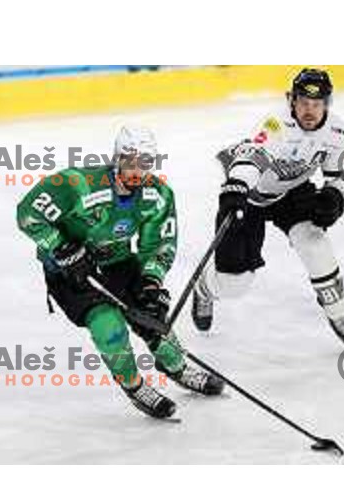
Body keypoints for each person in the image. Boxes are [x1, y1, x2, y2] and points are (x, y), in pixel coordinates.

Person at [17, 126, 224, 419]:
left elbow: (158, 244)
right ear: (116, 158)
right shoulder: (77, 184)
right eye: (130, 161)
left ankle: (176, 366)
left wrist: (151, 280)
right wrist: (62, 249)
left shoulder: (159, 194)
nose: (137, 170)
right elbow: (28, 213)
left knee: (151, 315)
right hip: (70, 273)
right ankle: (135, 385)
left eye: (145, 163)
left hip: (117, 262)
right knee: (108, 325)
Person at [192, 68, 344, 347]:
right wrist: (236, 187)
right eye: (303, 103)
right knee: (235, 284)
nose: (310, 111)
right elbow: (252, 158)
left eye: (317, 104)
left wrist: (335, 197)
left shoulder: (337, 131)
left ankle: (339, 313)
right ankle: (204, 287)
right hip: (252, 196)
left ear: (327, 104)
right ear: (291, 100)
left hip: (292, 191)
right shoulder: (275, 124)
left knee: (314, 242)